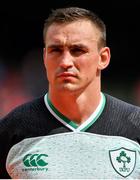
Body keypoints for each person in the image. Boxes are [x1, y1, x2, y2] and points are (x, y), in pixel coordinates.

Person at [0, 7, 140, 179]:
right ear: (45, 56)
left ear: (103, 58)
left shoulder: (136, 126)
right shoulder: (11, 130)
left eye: (78, 50)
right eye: (56, 50)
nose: (65, 62)